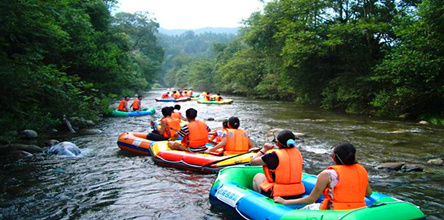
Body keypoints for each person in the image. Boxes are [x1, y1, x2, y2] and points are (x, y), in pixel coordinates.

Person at [274, 143, 373, 211]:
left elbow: (311, 199)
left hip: (334, 213)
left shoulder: (327, 174)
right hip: (358, 212)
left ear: (334, 157)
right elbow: (368, 192)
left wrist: (285, 201)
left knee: (306, 208)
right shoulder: (361, 170)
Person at [250, 130, 305, 199]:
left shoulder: (273, 156)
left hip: (279, 194)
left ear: (278, 144)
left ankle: (263, 202)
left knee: (258, 176)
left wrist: (264, 149)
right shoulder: (298, 154)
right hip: (297, 193)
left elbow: (252, 162)